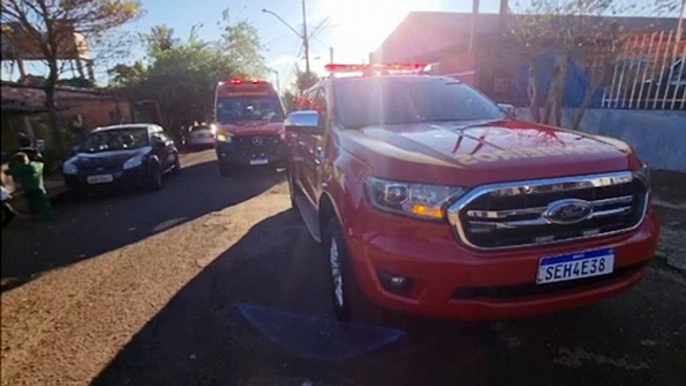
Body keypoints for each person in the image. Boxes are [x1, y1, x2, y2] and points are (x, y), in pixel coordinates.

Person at [8, 152, 54, 220]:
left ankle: (36, 215)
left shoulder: (20, 169)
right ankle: (48, 215)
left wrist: (12, 161)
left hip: (28, 188)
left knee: (32, 203)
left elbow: (11, 170)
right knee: (43, 202)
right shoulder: (38, 165)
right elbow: (41, 162)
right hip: (39, 187)